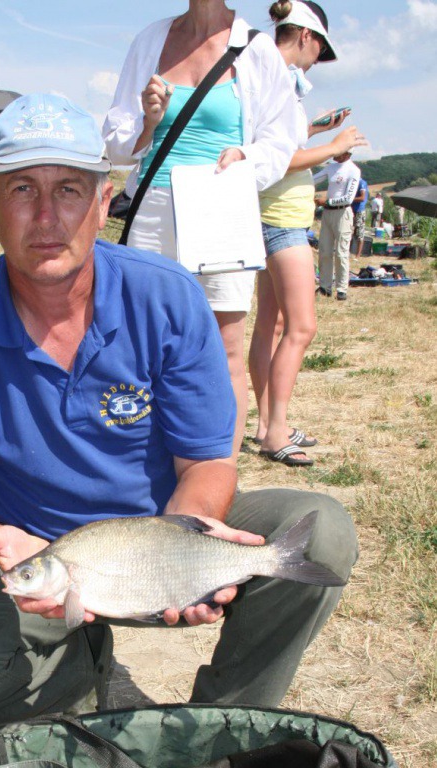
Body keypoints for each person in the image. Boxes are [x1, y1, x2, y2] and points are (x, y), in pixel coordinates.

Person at [0, 92, 357, 727]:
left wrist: (182, 548)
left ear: (104, 203)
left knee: (320, 526)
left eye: (70, 190)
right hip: (38, 550)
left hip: (165, 526)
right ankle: (79, 663)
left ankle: (226, 726)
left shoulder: (168, 298)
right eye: (23, 189)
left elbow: (208, 463)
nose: (47, 216)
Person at [102, 0, 300, 458]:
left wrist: (246, 159)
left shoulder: (257, 50)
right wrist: (148, 120)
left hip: (221, 206)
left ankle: (218, 475)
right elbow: (115, 145)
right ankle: (142, 467)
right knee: (137, 343)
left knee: (224, 345)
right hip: (152, 211)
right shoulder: (152, 40)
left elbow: (282, 137)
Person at [248, 0, 367, 467]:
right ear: (306, 37)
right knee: (302, 325)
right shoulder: (275, 76)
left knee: (272, 324)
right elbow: (272, 158)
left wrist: (318, 132)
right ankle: (275, 431)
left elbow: (281, 142)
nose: (319, 58)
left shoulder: (269, 75)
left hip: (273, 213)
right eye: (320, 48)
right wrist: (333, 147)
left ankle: (266, 422)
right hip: (281, 217)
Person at [314, 150, 361, 299]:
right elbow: (313, 179)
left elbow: (348, 198)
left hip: (342, 213)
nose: (335, 153)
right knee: (325, 251)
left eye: (340, 152)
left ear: (348, 154)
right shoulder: (331, 167)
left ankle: (342, 289)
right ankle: (324, 286)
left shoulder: (353, 170)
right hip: (328, 213)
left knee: (341, 253)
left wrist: (327, 201)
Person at [352, 175, 368, 244]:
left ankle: (358, 254)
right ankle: (351, 250)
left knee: (360, 233)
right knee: (352, 231)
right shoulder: (354, 183)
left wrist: (350, 199)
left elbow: (362, 198)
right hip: (353, 209)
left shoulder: (361, 183)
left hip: (359, 210)